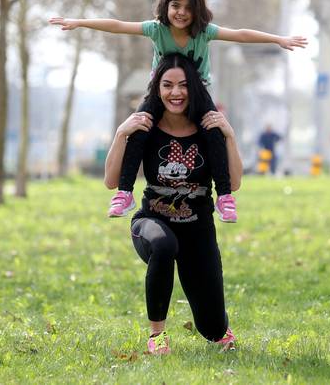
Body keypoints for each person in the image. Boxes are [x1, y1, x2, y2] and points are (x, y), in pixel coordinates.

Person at [50, 0, 307, 223]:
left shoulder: (204, 32)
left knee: (214, 131)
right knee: (139, 127)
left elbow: (240, 34)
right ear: (166, 6)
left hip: (198, 94)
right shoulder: (156, 29)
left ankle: (225, 197)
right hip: (157, 93)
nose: (181, 12)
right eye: (175, 6)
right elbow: (117, 26)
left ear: (197, 11)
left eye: (188, 7)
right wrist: (80, 22)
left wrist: (278, 40)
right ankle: (124, 193)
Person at [103, 53, 243, 354]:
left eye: (183, 85)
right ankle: (157, 336)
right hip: (152, 221)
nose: (175, 92)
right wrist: (120, 133)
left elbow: (235, 182)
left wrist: (229, 135)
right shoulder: (145, 127)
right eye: (167, 85)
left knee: (212, 329)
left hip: (198, 230)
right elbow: (111, 181)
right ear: (157, 88)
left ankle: (219, 324)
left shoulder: (207, 128)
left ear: (194, 88)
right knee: (164, 246)